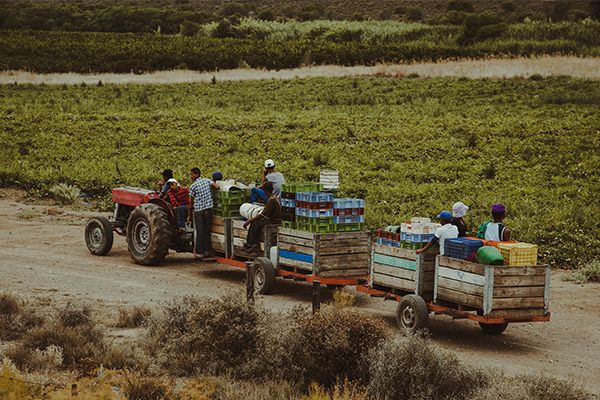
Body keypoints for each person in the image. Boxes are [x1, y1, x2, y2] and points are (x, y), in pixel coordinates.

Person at [243, 182, 282, 250]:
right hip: (272, 218)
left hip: (273, 220)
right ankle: (250, 243)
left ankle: (255, 244)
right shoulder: (274, 198)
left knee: (256, 224)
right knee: (255, 223)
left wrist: (249, 221)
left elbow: (262, 215)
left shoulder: (271, 200)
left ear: (264, 191)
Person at [189, 167, 216, 259]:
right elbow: (216, 187)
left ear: (196, 175)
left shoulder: (193, 186)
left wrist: (191, 210)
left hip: (199, 211)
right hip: (208, 209)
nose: (191, 176)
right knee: (207, 230)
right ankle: (207, 251)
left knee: (200, 231)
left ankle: (200, 253)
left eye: (192, 174)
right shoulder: (207, 180)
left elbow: (191, 201)